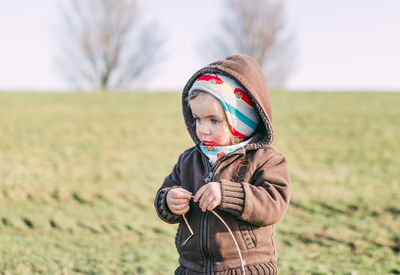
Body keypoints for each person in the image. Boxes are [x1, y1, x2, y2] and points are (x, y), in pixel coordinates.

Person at [154, 54, 291, 275]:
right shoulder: (189, 160)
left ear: (241, 121)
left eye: (214, 120)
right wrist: (168, 201)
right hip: (192, 269)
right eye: (197, 118)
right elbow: (165, 192)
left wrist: (226, 194)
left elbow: (274, 204)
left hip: (246, 269)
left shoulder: (265, 159)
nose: (202, 129)